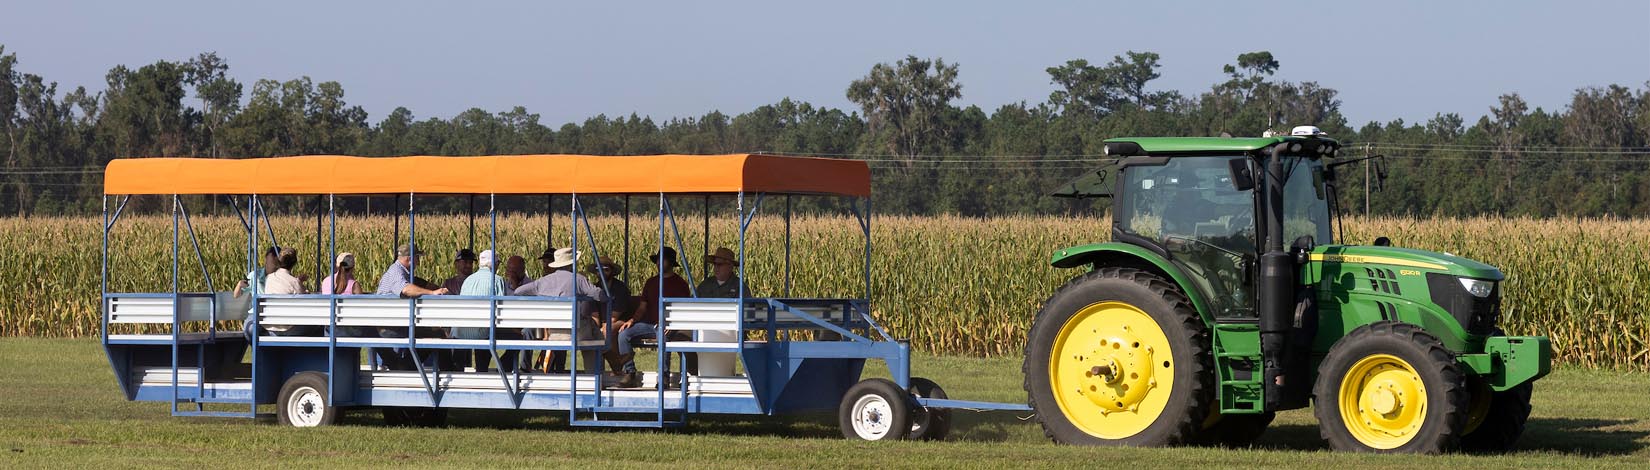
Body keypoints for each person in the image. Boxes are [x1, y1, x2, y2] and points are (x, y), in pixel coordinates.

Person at [607, 247, 690, 388]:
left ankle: (663, 376)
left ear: (670, 262)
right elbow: (642, 307)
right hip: (650, 324)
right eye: (657, 260)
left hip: (669, 326)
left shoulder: (680, 284)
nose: (658, 263)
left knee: (661, 335)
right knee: (623, 333)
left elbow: (684, 309)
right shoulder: (651, 282)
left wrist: (671, 324)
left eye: (662, 260)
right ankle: (630, 372)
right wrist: (632, 321)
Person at [514, 247, 607, 374]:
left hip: (553, 332)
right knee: (595, 335)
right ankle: (595, 376)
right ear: (572, 263)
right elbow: (599, 295)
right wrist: (608, 296)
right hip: (576, 333)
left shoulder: (542, 281)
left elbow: (518, 291)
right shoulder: (578, 279)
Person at [374, 244, 449, 370]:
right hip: (390, 324)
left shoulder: (402, 272)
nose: (419, 262)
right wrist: (432, 293)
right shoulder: (396, 272)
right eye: (417, 258)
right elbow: (406, 289)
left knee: (429, 332)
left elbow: (415, 283)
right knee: (438, 334)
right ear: (410, 259)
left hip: (392, 321)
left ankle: (406, 365)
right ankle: (448, 371)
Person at [456, 250, 511, 372]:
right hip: (484, 330)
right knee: (518, 338)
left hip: (461, 330)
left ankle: (459, 372)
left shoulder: (468, 280)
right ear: (494, 264)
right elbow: (501, 309)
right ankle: (496, 368)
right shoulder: (497, 280)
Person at [260, 247, 314, 336]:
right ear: (294, 263)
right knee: (319, 325)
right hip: (288, 327)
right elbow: (304, 299)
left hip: (270, 326)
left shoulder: (269, 278)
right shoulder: (294, 281)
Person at [584, 255, 632, 323]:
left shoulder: (620, 288)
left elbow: (614, 318)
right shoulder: (594, 289)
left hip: (619, 321)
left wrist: (603, 328)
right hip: (602, 323)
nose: (602, 273)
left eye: (606, 269)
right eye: (598, 270)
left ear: (612, 271)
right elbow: (595, 316)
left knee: (607, 329)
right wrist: (596, 330)